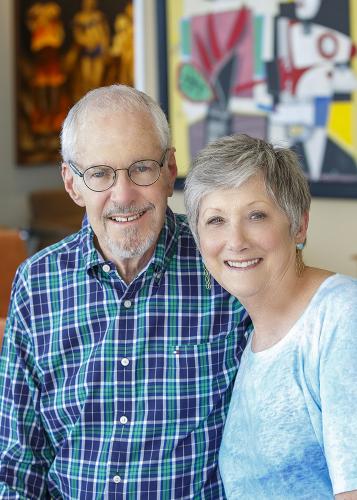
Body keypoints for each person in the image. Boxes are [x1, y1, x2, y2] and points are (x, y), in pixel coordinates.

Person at [0, 85, 249, 499]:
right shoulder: (36, 283)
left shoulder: (224, 266)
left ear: (170, 171)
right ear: (72, 183)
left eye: (141, 168)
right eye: (99, 173)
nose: (123, 195)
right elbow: (16, 463)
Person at [184, 133, 357, 499]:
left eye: (256, 215)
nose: (236, 240)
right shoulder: (252, 339)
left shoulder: (342, 317)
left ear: (299, 226)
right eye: (215, 220)